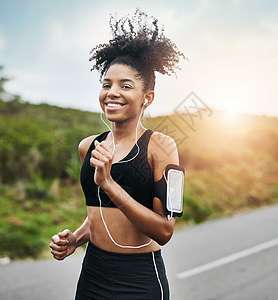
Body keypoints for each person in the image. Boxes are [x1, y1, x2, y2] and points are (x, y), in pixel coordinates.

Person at [49, 9, 186, 300]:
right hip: (93, 273)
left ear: (146, 97)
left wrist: (109, 183)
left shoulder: (161, 146)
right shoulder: (88, 147)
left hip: (139, 278)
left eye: (126, 86)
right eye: (106, 84)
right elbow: (99, 214)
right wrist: (77, 238)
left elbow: (164, 231)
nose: (112, 92)